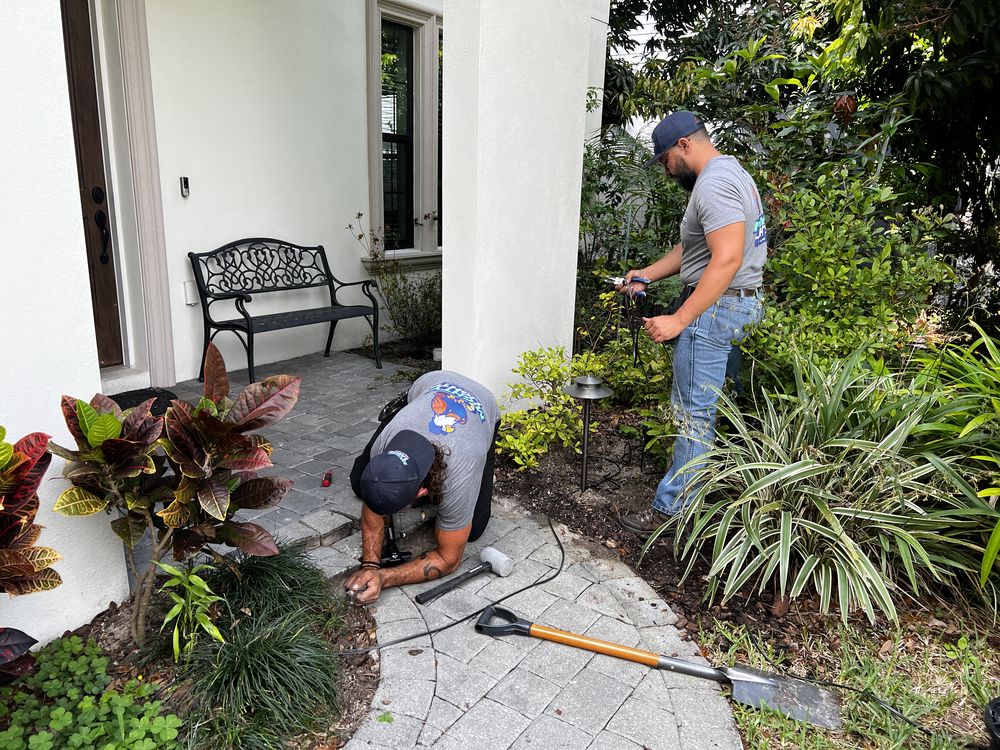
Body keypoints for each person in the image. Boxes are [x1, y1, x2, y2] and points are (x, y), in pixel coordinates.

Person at [619, 111, 766, 534]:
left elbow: (727, 258)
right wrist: (646, 273)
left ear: (684, 145)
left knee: (692, 415)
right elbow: (694, 247)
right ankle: (718, 495)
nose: (666, 171)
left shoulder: (714, 184)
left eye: (665, 160)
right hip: (740, 307)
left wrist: (679, 319)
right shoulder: (731, 172)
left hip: (714, 312)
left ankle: (672, 512)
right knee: (725, 409)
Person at [344, 370, 500, 604]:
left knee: (474, 529)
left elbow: (449, 559)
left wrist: (383, 578)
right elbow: (374, 502)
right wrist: (369, 566)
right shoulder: (386, 446)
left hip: (482, 406)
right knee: (360, 482)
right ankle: (401, 404)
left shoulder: (460, 473)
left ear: (421, 491)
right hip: (430, 384)